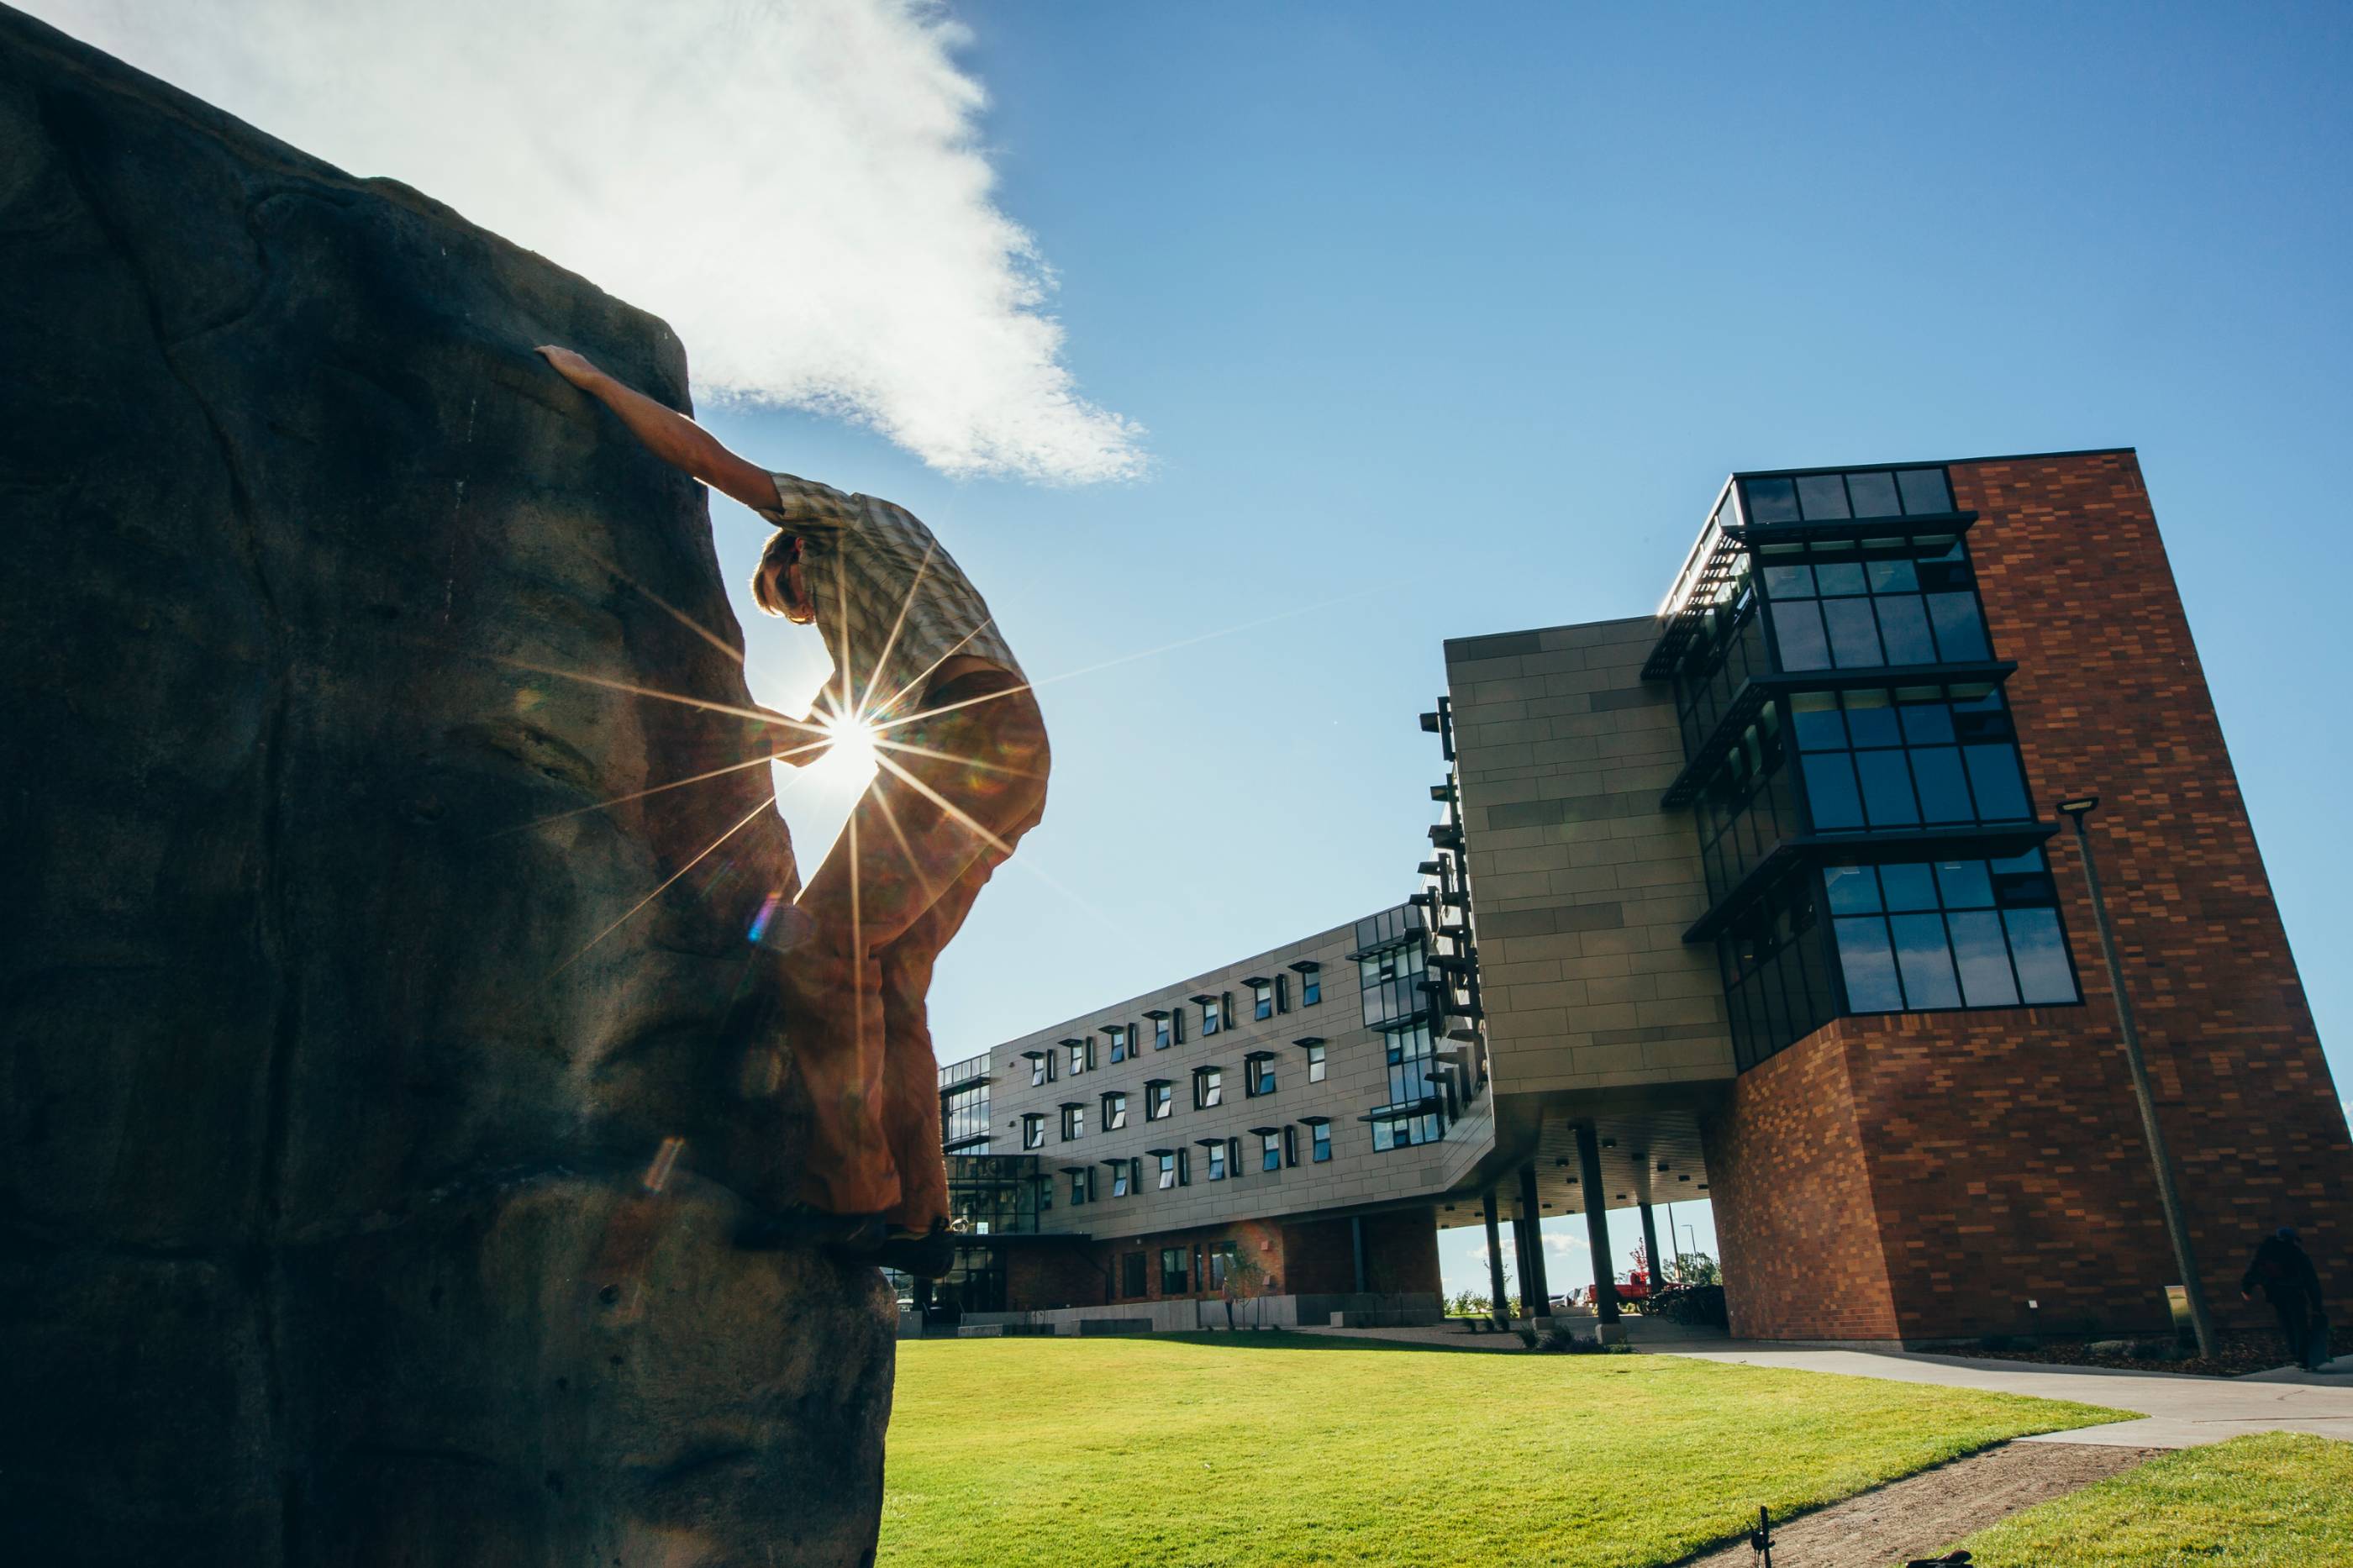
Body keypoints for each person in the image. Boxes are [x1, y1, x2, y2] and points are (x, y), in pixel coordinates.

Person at [536, 346, 1049, 1279]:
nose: (806, 618)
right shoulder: (880, 633)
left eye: (792, 599)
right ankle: (921, 1222)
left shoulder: (853, 522)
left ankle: (848, 1203)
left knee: (815, 947)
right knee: (888, 979)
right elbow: (810, 742)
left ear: (798, 550)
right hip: (1001, 755)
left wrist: (603, 389)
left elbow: (714, 465)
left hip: (965, 737)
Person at [2240, 1225, 2329, 1371]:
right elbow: (2311, 1281)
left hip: (2275, 1295)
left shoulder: (2265, 1252)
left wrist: (2246, 1288)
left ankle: (2295, 1354)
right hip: (2294, 1294)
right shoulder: (2296, 1254)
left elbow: (2252, 1270)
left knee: (2287, 1324)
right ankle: (2303, 1359)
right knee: (2300, 1325)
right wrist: (2317, 1306)